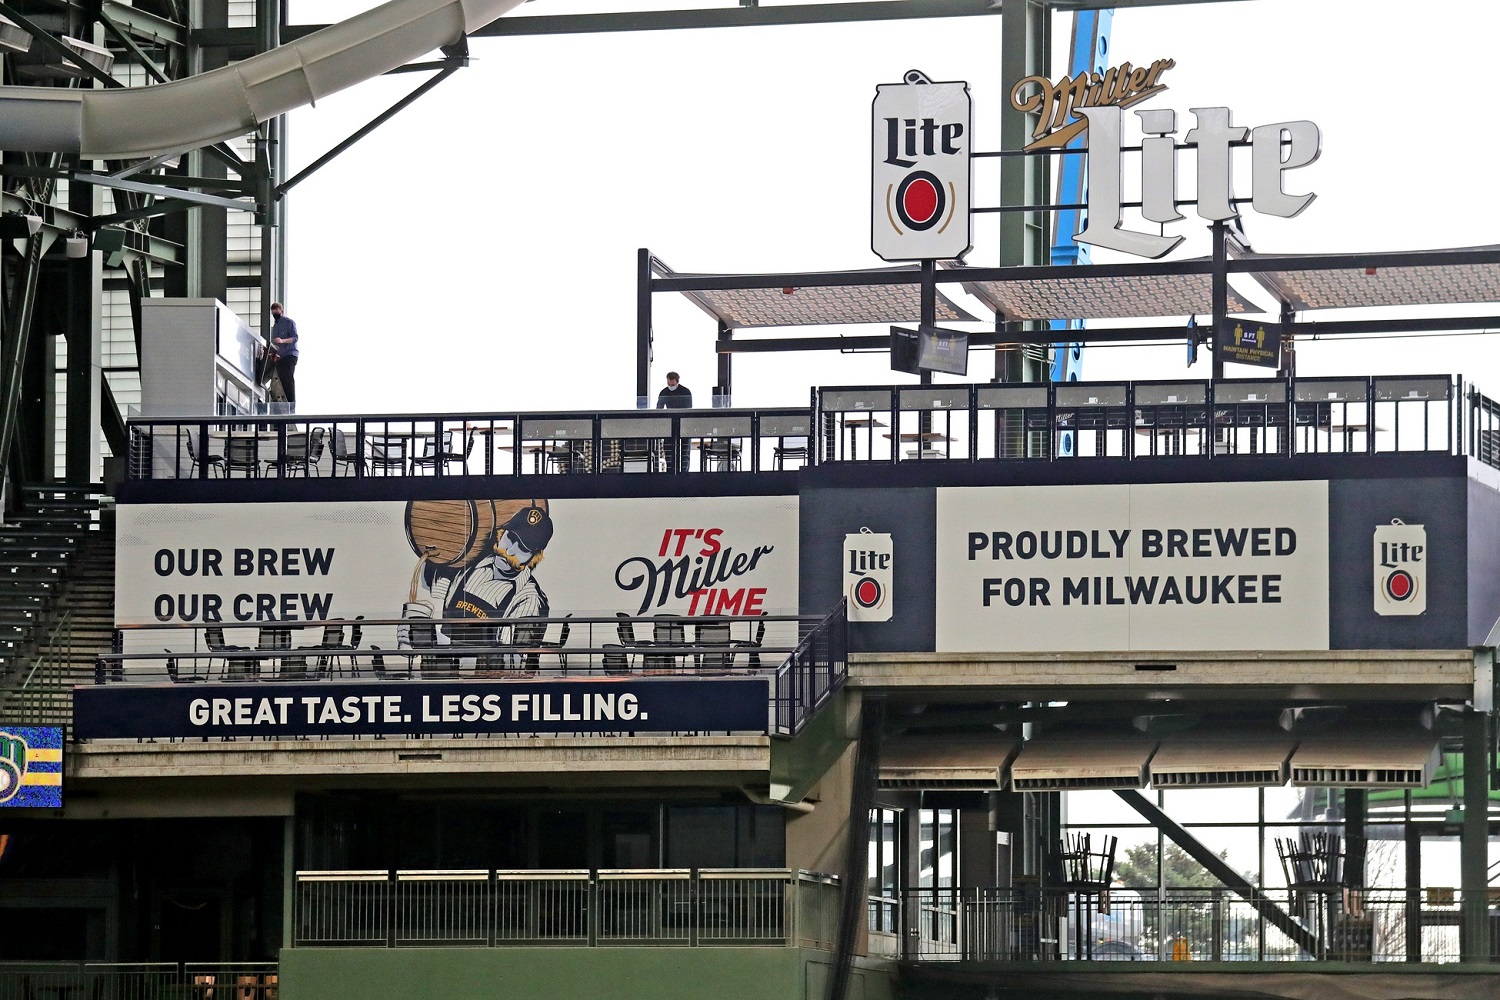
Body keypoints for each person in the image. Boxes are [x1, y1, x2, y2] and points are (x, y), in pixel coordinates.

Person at [399, 505, 554, 653]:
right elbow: (428, 584)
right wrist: (414, 631)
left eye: (523, 548)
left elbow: (511, 657)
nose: (510, 550)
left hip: (485, 679)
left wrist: (434, 639)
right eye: (511, 538)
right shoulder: (473, 563)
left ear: (535, 557)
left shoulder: (529, 599)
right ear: (501, 533)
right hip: (445, 672)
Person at [269, 302, 299, 410]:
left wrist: (282, 341)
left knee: (288, 378)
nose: (275, 313)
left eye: (277, 311)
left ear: (281, 311)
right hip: (280, 356)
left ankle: (291, 404)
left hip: (289, 354)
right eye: (273, 311)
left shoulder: (289, 322)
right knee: (281, 381)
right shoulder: (274, 328)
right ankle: (284, 404)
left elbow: (295, 338)